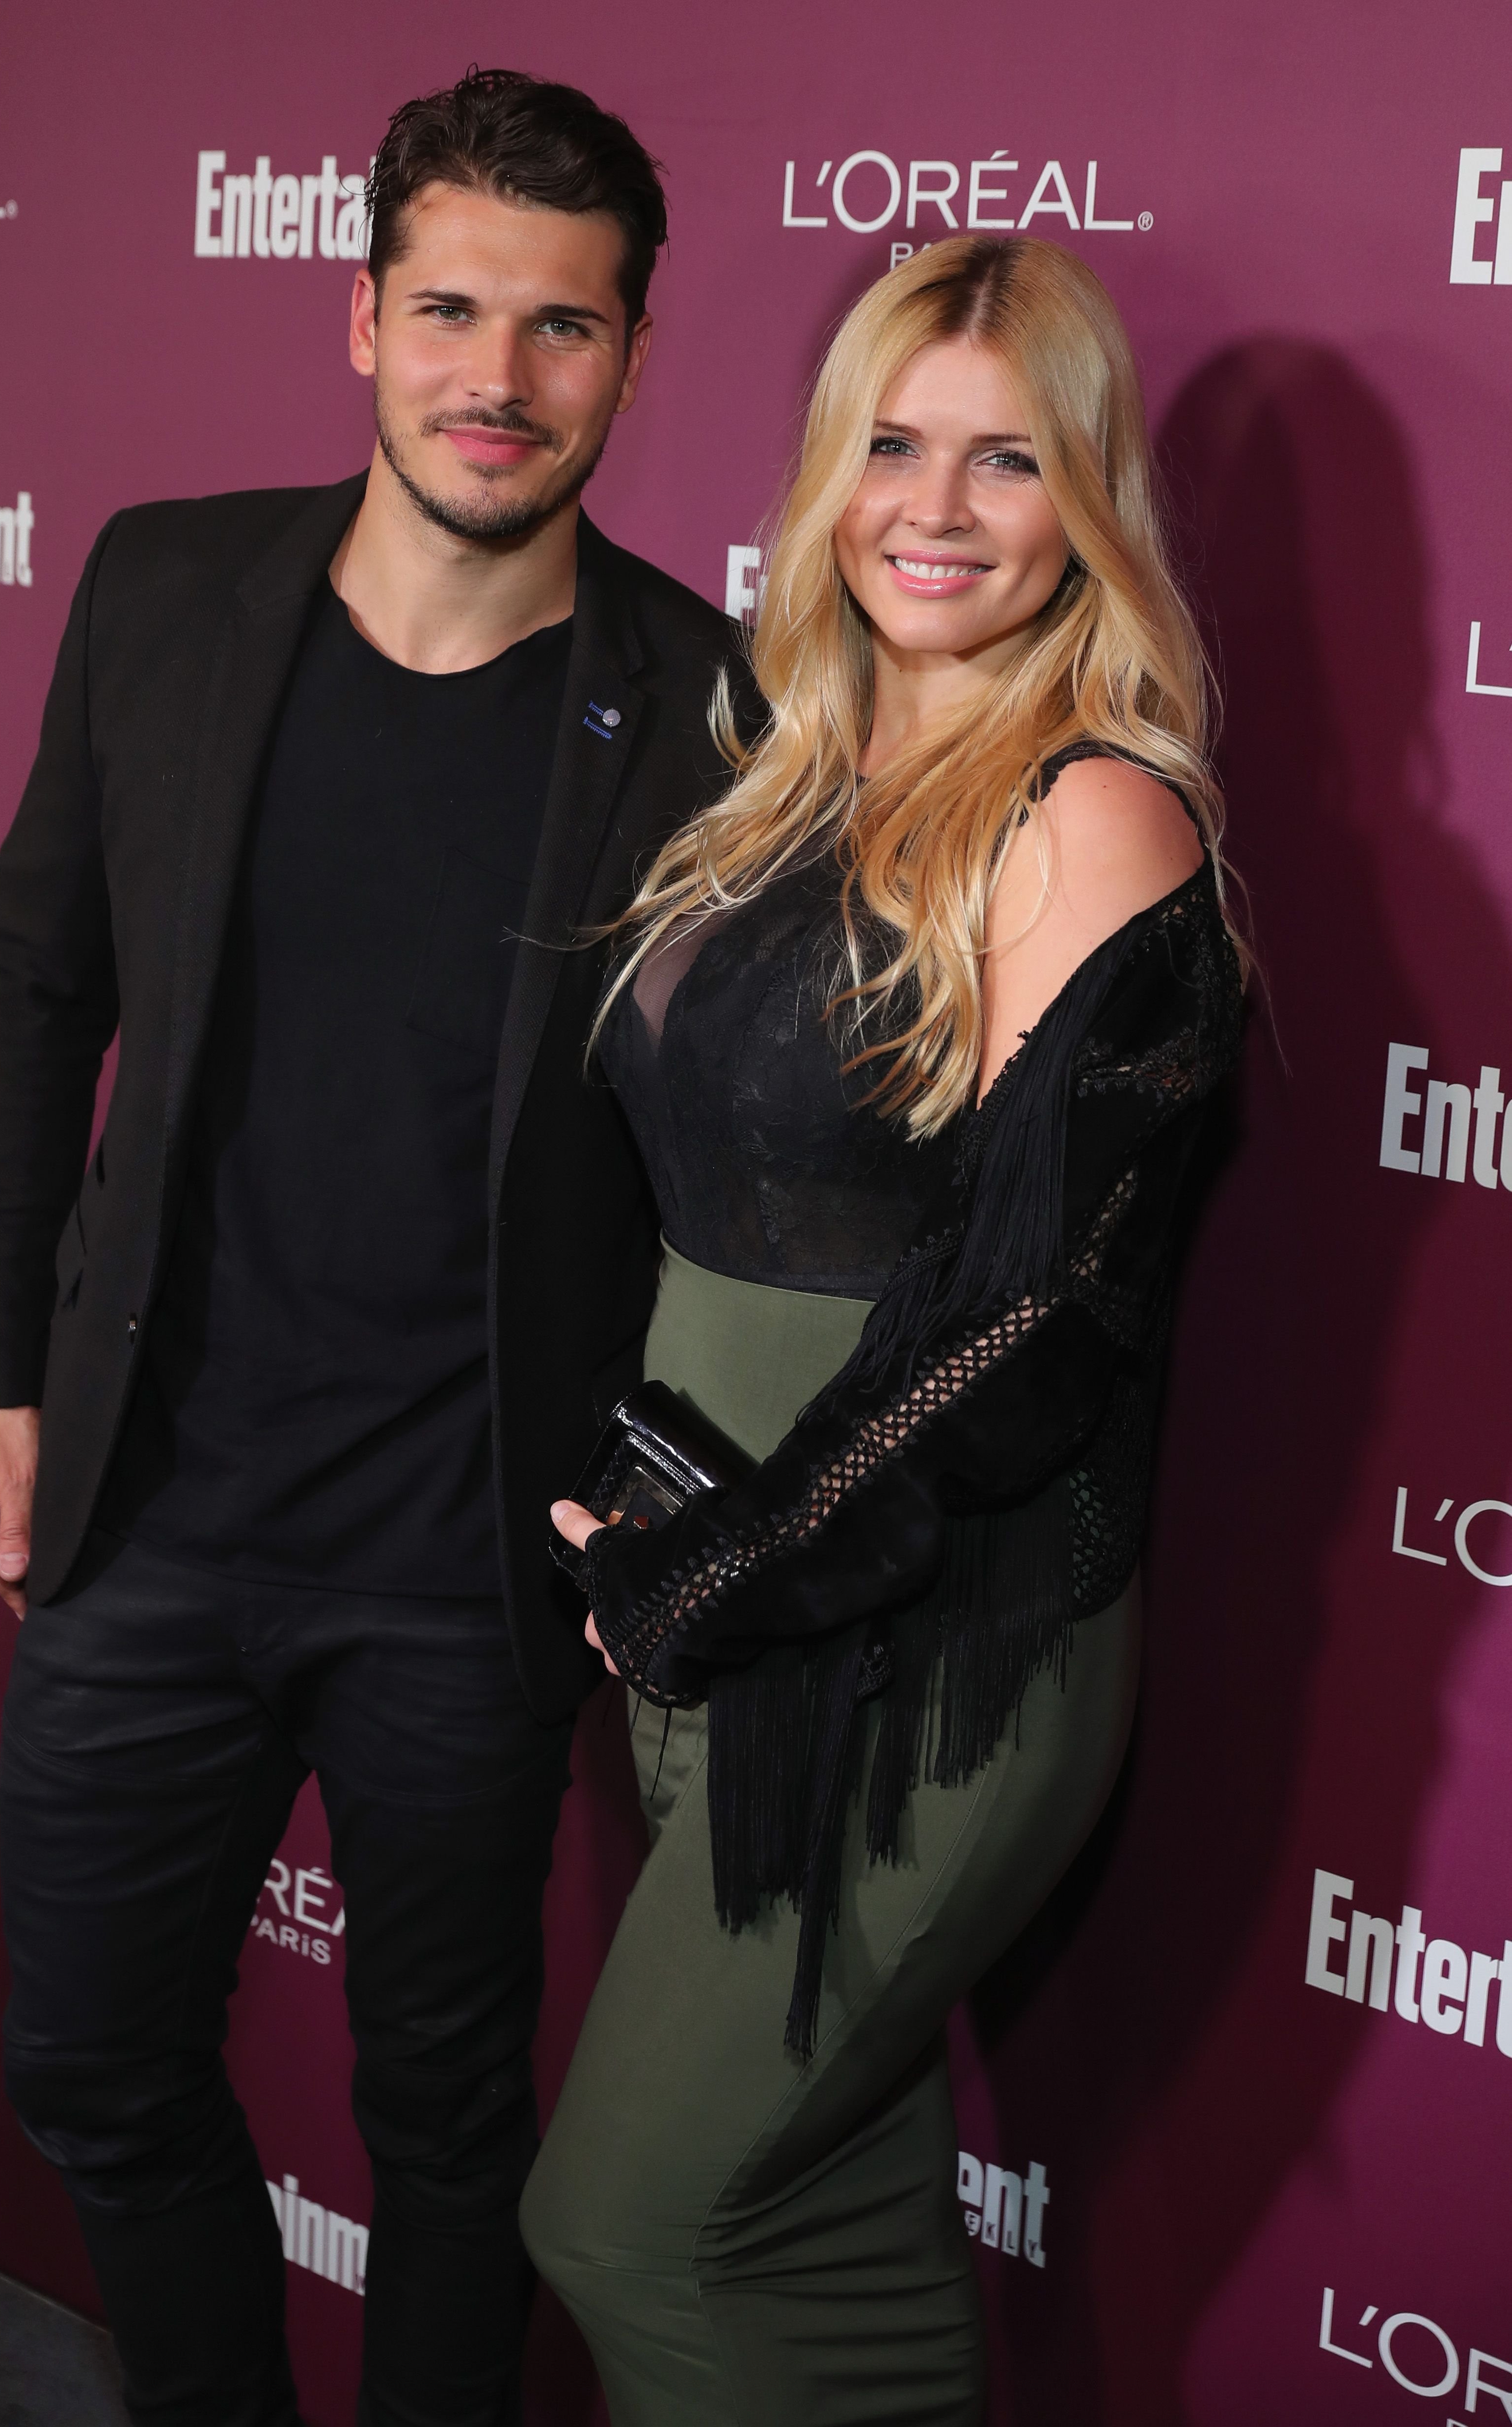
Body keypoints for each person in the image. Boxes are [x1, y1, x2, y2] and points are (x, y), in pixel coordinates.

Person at [0, 68, 746, 2427]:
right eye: (454, 310)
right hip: (144, 1510)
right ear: (362, 318)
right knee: (90, 2064)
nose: (500, 378)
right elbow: (30, 984)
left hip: (466, 1562)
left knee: (451, 2144)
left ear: (629, 357)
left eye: (563, 327)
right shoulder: (163, 584)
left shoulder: (707, 703)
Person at [527, 234, 1245, 2424]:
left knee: (624, 2221)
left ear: (1084, 504)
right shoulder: (777, 786)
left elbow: (1033, 1322)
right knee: (811, 2221)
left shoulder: (1091, 810)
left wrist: (721, 1582)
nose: (931, 509)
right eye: (893, 448)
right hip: (711, 1596)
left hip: (914, 1645)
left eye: (1004, 460)